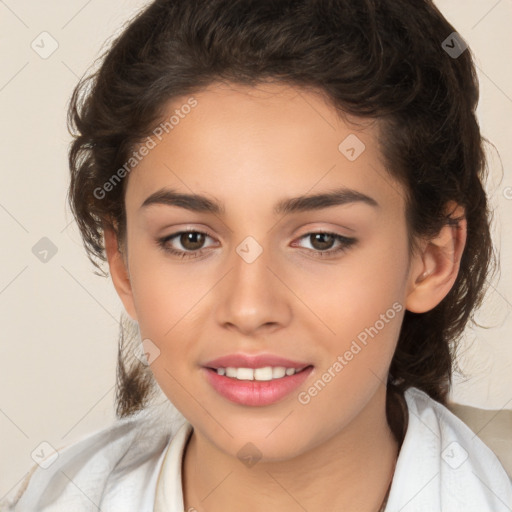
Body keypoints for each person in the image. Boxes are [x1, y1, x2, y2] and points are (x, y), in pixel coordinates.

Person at [3, 0, 512, 510]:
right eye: (190, 239)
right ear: (123, 262)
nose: (249, 309)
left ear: (432, 259)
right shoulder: (50, 496)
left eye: (321, 240)